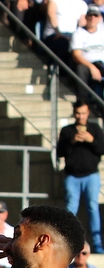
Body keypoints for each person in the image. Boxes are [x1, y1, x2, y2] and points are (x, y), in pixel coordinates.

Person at [57, 101, 104, 253]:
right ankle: (67, 241)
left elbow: (102, 148)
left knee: (93, 208)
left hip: (91, 175)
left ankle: (97, 244)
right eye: (78, 113)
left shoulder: (95, 129)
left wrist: (91, 140)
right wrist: (72, 141)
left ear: (88, 113)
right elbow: (60, 152)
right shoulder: (67, 131)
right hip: (72, 176)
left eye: (83, 113)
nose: (80, 116)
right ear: (74, 113)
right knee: (70, 209)